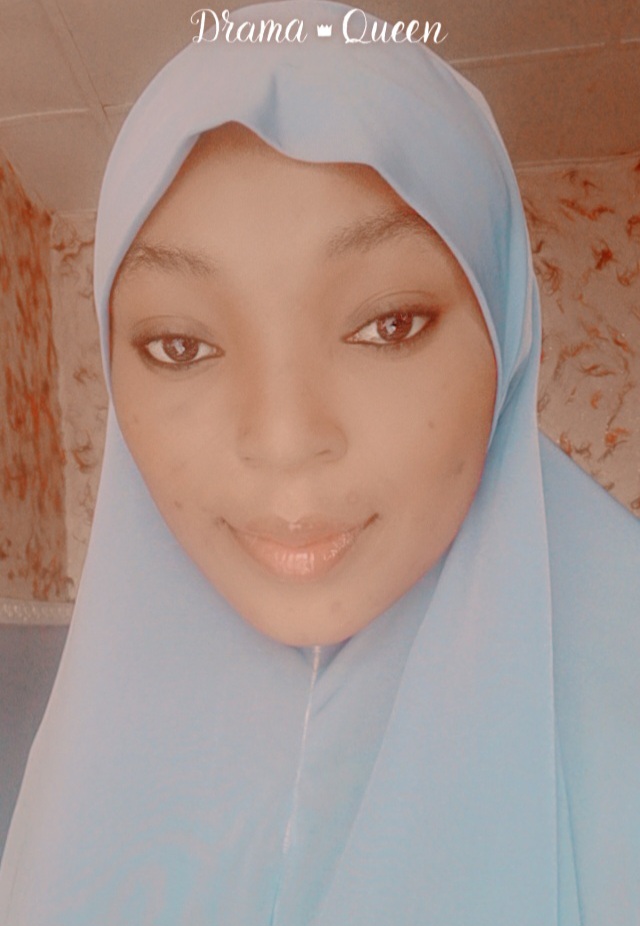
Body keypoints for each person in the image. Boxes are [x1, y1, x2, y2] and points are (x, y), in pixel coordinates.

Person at [1, 2, 638, 923]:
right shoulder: (77, 772)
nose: (284, 437)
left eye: (389, 324)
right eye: (181, 345)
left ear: (506, 338)